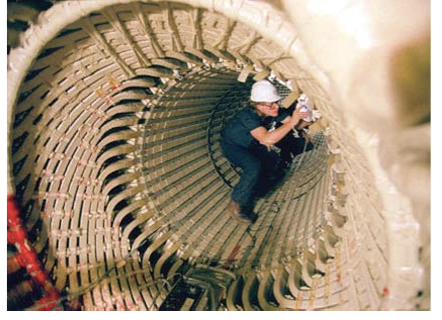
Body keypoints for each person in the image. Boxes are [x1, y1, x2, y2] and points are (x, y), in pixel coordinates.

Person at [220, 80, 311, 224]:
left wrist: (309, 116)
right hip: (233, 146)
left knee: (272, 162)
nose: (275, 107)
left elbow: (296, 123)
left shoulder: (273, 109)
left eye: (276, 102)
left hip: (251, 144)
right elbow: (267, 139)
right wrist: (293, 123)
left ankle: (255, 191)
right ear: (258, 105)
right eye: (270, 105)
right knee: (253, 166)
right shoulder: (247, 116)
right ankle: (235, 205)